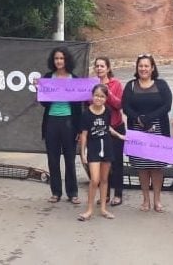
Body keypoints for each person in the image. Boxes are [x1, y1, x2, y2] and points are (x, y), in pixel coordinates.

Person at [122, 54, 173, 213]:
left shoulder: (161, 85)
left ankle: (157, 200)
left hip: (158, 130)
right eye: (140, 66)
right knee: (142, 167)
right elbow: (126, 107)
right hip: (137, 130)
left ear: (152, 68)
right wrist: (139, 119)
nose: (143, 69)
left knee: (157, 167)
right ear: (137, 68)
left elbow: (167, 105)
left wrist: (149, 119)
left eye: (146, 66)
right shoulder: (130, 86)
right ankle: (145, 200)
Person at [39, 47, 82, 204]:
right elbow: (44, 103)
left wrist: (79, 129)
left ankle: (72, 192)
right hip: (51, 121)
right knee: (53, 159)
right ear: (53, 60)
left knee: (70, 159)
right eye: (56, 58)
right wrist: (39, 90)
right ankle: (56, 192)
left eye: (62, 58)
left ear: (67, 60)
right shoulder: (48, 77)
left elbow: (79, 107)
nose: (59, 61)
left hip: (69, 122)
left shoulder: (75, 79)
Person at [78, 84, 124, 221]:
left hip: (107, 147)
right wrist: (83, 153)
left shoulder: (108, 111)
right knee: (95, 180)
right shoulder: (86, 113)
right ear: (92, 96)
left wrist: (119, 135)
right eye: (96, 95)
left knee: (104, 180)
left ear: (106, 98)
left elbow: (107, 127)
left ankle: (103, 208)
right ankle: (89, 209)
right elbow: (84, 135)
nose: (99, 98)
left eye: (102, 96)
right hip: (93, 148)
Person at [94, 57, 126, 207]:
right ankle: (104, 194)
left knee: (116, 162)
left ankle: (118, 194)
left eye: (102, 66)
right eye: (97, 66)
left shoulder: (116, 84)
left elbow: (120, 105)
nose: (99, 68)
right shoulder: (92, 84)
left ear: (108, 68)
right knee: (102, 163)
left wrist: (107, 93)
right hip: (99, 128)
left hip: (116, 126)